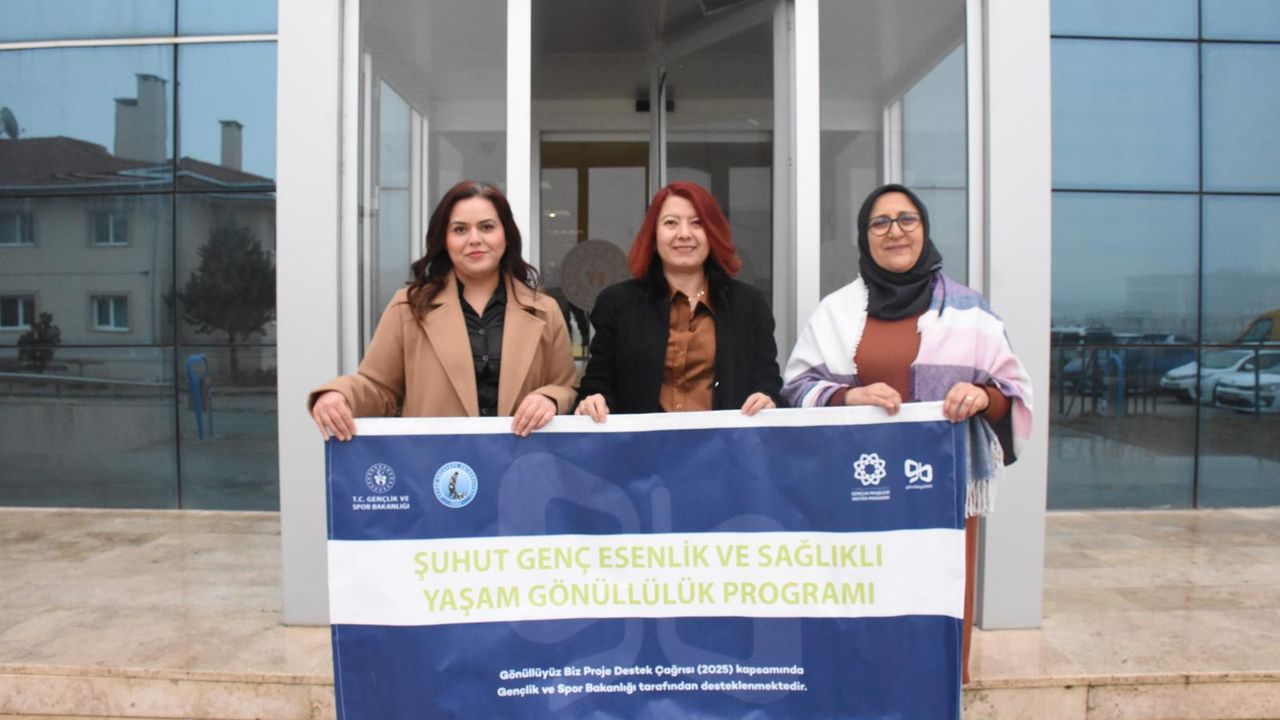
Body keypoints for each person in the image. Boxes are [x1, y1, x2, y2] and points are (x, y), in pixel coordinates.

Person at [781, 183, 1033, 682]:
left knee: (936, 606)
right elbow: (797, 386)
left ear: (924, 229)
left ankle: (938, 694)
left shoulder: (971, 311)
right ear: (864, 236)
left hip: (941, 494)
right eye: (880, 222)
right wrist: (847, 397)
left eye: (906, 219)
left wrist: (982, 396)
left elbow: (1012, 390)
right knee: (862, 607)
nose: (894, 231)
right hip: (857, 491)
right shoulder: (836, 312)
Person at [309, 180, 577, 439]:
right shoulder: (408, 307)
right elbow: (379, 389)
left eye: (486, 227)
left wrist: (550, 398)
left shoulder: (544, 310)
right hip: (434, 465)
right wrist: (339, 395)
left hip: (520, 463)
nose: (474, 239)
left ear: (506, 235)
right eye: (460, 229)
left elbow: (567, 388)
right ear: (444, 240)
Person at [575, 181, 783, 420]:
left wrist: (767, 397)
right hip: (641, 443)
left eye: (697, 223)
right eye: (671, 223)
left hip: (726, 442)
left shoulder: (749, 304)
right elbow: (598, 383)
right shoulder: (617, 303)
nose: (684, 234)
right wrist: (595, 400)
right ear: (653, 235)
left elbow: (767, 380)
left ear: (713, 234)